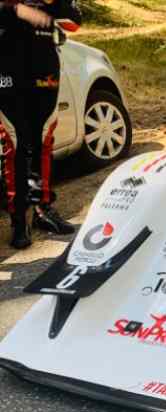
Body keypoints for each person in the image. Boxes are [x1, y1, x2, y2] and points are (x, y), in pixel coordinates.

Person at [0, 0, 81, 249]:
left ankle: (42, 210)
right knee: (16, 144)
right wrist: (16, 9)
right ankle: (18, 221)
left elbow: (73, 22)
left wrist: (54, 3)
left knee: (42, 142)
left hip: (45, 72)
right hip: (8, 73)